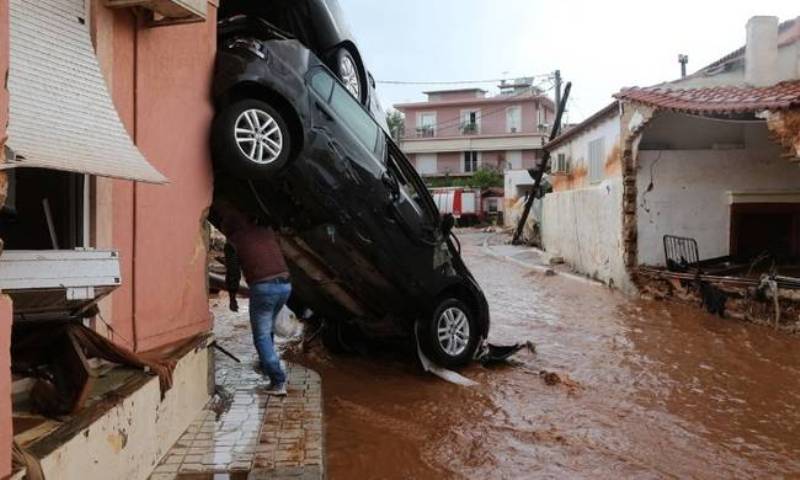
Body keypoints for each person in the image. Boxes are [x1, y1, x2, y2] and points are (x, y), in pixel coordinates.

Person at [212, 199, 292, 396]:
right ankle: (267, 365)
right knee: (268, 327)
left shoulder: (234, 242)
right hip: (285, 285)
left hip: (263, 288)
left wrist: (231, 297)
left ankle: (278, 381)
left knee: (261, 336)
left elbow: (233, 274)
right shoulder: (265, 230)